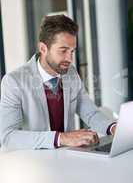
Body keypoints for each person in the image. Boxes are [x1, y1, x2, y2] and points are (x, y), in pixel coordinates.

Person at [0, 15, 116, 151]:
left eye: (72, 51)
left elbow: (90, 113)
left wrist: (113, 128)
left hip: (64, 158)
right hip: (30, 164)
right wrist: (61, 138)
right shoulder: (14, 81)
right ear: (43, 48)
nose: (69, 58)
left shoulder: (71, 72)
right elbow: (7, 136)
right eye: (63, 50)